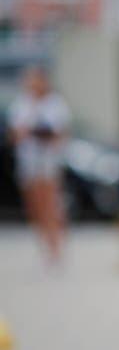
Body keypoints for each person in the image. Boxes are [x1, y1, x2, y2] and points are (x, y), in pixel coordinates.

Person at [7, 65, 71, 265]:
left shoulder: (55, 105)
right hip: (28, 161)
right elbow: (14, 135)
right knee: (34, 208)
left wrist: (41, 133)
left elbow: (61, 134)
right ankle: (45, 245)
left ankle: (56, 248)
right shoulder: (20, 105)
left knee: (49, 205)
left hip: (48, 162)